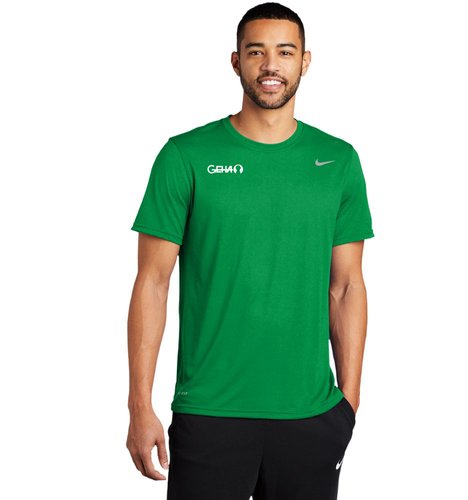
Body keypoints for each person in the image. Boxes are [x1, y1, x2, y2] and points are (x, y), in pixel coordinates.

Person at [126, 2, 375, 499]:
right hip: (210, 411)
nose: (270, 65)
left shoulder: (338, 161)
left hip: (310, 415)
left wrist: (348, 403)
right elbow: (152, 282)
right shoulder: (186, 156)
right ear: (236, 61)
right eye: (256, 51)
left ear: (305, 61)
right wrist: (139, 404)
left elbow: (346, 286)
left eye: (285, 52)